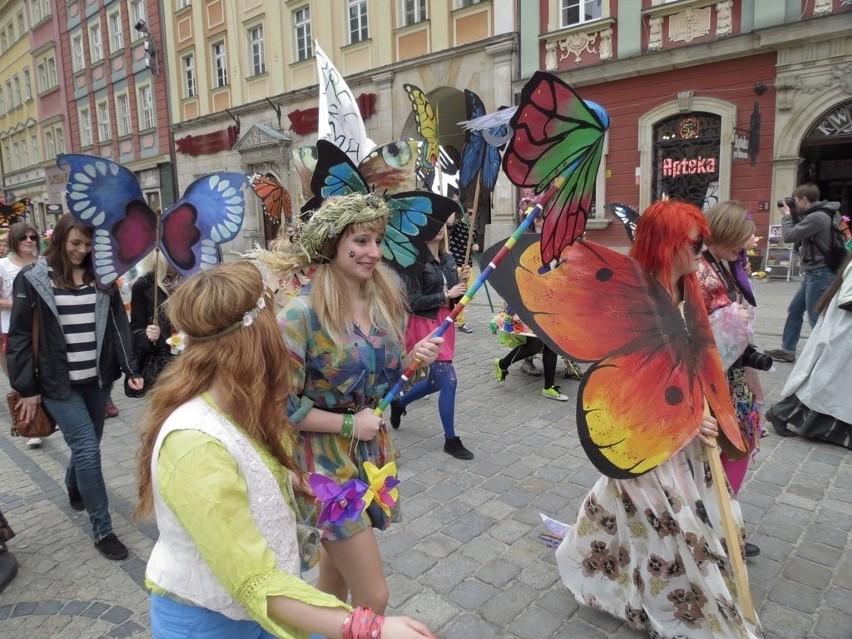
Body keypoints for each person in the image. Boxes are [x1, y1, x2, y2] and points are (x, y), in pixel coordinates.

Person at [135, 261, 435, 639]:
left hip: (255, 614)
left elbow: (240, 468)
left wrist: (288, 477)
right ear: (253, 340)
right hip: (212, 624)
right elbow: (254, 581)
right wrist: (368, 628)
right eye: (274, 324)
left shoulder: (234, 406)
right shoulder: (194, 443)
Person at [555, 200, 762, 639]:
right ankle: (662, 602)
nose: (702, 250)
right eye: (695, 242)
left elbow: (701, 359)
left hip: (687, 434)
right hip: (644, 431)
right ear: (669, 245)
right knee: (661, 519)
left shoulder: (691, 291)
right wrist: (689, 418)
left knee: (651, 514)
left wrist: (707, 410)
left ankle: (617, 575)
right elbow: (633, 377)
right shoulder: (635, 297)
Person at [267, 192, 443, 614]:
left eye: (377, 241)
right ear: (332, 244)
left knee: (334, 578)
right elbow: (278, 406)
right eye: (361, 241)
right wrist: (348, 426)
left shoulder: (384, 301)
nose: (373, 252)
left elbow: (383, 382)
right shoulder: (299, 316)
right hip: (324, 468)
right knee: (374, 596)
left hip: (368, 455)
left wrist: (414, 361)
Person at [7, 214, 142, 560]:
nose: (81, 251)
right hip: (57, 383)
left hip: (97, 381)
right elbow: (21, 336)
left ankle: (73, 484)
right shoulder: (34, 278)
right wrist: (27, 387)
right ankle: (102, 530)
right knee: (87, 448)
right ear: (61, 240)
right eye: (75, 243)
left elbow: (118, 325)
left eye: (87, 244)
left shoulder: (102, 280)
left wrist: (130, 368)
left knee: (89, 444)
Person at [697, 201, 765, 557]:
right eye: (739, 238)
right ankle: (717, 527)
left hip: (733, 373)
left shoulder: (729, 264)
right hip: (710, 379)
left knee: (740, 443)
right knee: (727, 447)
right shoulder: (700, 268)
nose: (746, 244)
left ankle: (723, 521)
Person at [390, 221, 475, 460]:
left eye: (441, 225)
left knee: (437, 382)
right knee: (449, 380)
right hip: (424, 324)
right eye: (433, 224)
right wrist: (446, 294)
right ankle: (451, 440)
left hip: (445, 322)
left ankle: (400, 403)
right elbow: (411, 301)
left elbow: (456, 299)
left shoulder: (448, 259)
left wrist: (462, 283)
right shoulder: (415, 261)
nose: (439, 228)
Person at [765, 252, 852, 448]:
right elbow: (847, 298)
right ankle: (780, 412)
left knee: (834, 385)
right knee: (824, 382)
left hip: (844, 333)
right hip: (843, 333)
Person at [765, 184, 839, 363]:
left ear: (804, 200)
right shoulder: (820, 214)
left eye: (796, 200)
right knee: (795, 309)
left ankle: (826, 359)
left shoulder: (817, 217)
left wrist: (787, 216)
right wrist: (795, 215)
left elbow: (789, 236)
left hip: (819, 273)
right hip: (814, 272)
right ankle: (788, 350)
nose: (794, 203)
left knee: (815, 316)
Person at [0, 222, 42, 447]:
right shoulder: (3, 265)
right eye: (23, 237)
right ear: (14, 241)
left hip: (40, 331)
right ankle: (30, 427)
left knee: (39, 378)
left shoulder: (42, 263)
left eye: (32, 237)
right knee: (20, 381)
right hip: (10, 330)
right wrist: (17, 304)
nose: (28, 241)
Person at [129, 251, 181, 394]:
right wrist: (148, 335)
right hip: (162, 360)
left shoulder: (193, 282)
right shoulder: (143, 285)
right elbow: (135, 328)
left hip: (190, 356)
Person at [491, 306, 569, 402]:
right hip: (528, 305)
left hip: (550, 305)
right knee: (534, 346)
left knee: (551, 341)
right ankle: (502, 364)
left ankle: (549, 387)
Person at [447, 210, 477, 333]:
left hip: (468, 265)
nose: (471, 216)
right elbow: (449, 224)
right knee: (462, 295)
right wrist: (452, 207)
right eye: (469, 213)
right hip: (457, 265)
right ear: (464, 213)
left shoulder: (473, 228)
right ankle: (461, 323)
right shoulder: (458, 225)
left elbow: (471, 247)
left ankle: (454, 311)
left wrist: (475, 248)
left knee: (471, 293)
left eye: (474, 213)